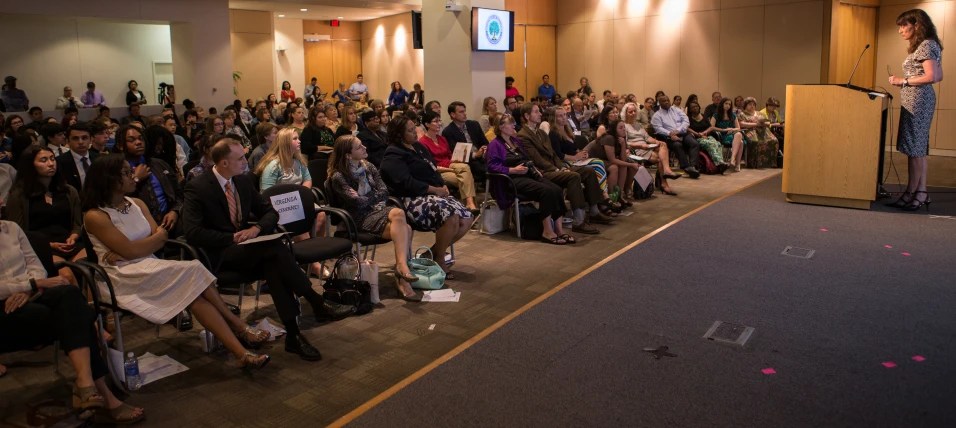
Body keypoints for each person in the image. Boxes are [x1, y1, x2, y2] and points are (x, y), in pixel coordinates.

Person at [82, 154, 271, 370]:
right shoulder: (95, 215)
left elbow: (161, 237)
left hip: (147, 264)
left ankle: (241, 352)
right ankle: (239, 327)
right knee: (193, 270)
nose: (133, 177)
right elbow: (140, 245)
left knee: (193, 290)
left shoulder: (137, 203)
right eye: (126, 173)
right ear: (109, 179)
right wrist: (135, 249)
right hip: (119, 276)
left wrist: (135, 249)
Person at [184, 136, 354, 361]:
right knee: (274, 248)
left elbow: (271, 212)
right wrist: (231, 237)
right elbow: (193, 232)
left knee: (273, 260)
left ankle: (294, 335)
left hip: (249, 248)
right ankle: (315, 301)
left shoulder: (242, 182)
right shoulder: (198, 187)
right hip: (219, 252)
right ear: (224, 163)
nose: (246, 161)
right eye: (240, 158)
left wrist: (255, 230)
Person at [0, 207, 145, 423]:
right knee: (77, 316)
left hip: (31, 294)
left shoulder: (11, 228)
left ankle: (86, 382)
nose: (2, 200)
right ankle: (98, 392)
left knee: (69, 293)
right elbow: (35, 278)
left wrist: (28, 288)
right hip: (5, 306)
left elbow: (36, 267)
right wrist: (29, 284)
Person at [326, 135, 421, 299]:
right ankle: (402, 273)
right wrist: (374, 197)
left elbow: (385, 191)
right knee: (399, 216)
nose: (364, 148)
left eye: (362, 144)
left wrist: (371, 198)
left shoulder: (368, 166)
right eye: (359, 147)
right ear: (348, 155)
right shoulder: (339, 177)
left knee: (405, 227)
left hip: (376, 211)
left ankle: (402, 271)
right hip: (356, 218)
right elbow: (357, 203)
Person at [380, 117, 474, 279]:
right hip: (411, 199)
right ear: (399, 134)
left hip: (432, 194)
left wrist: (441, 185)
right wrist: (434, 190)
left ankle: (431, 254)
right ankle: (439, 258)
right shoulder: (394, 153)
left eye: (414, 128)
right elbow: (405, 183)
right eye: (410, 131)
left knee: (467, 217)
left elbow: (433, 170)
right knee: (451, 216)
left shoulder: (418, 147)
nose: (415, 133)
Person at [515, 103, 610, 234]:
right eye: (536, 112)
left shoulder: (541, 133)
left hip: (553, 168)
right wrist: (557, 170)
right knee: (573, 176)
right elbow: (537, 159)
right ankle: (578, 220)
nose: (540, 114)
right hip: (541, 172)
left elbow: (553, 154)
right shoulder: (523, 135)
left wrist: (560, 166)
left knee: (589, 171)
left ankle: (594, 211)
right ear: (527, 116)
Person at [5, 144, 88, 283]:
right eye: (43, 160)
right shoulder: (19, 195)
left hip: (70, 243)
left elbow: (77, 223)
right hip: (41, 247)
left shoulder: (69, 191)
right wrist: (51, 245)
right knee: (66, 276)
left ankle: (94, 304)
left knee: (92, 270)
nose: (51, 164)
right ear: (31, 165)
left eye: (52, 159)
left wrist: (73, 237)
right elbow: (18, 232)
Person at [886, 10, 942, 210]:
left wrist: (904, 81)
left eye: (903, 25)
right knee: (918, 150)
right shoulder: (926, 45)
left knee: (915, 150)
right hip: (916, 99)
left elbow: (933, 76)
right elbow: (939, 75)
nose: (900, 30)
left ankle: (911, 192)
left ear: (916, 25)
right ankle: (921, 191)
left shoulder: (927, 45)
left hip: (919, 100)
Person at [487, 114, 572, 244]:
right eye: (510, 124)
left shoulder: (515, 141)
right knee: (546, 191)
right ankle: (547, 231)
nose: (513, 126)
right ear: (501, 127)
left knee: (557, 189)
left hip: (527, 174)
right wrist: (512, 170)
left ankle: (559, 230)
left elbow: (526, 158)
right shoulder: (495, 144)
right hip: (511, 179)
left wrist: (533, 168)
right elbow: (492, 167)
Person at [114, 125, 183, 237]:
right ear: (120, 146)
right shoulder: (115, 170)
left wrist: (175, 211)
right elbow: (115, 200)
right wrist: (136, 179)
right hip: (137, 227)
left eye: (141, 139)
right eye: (131, 140)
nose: (138, 142)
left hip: (169, 220)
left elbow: (178, 193)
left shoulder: (159, 164)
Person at [548, 106, 612, 208]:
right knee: (598, 163)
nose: (564, 118)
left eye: (564, 115)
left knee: (598, 163)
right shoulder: (553, 133)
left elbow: (574, 149)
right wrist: (575, 157)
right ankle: (604, 196)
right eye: (560, 116)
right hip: (566, 162)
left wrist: (582, 153)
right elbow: (558, 155)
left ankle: (602, 197)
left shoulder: (567, 130)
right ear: (554, 118)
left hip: (576, 159)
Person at [418, 111, 479, 212]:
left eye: (439, 121)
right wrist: (450, 169)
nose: (439, 123)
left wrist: (454, 160)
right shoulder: (423, 142)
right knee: (465, 177)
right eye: (435, 121)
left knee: (464, 175)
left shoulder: (442, 139)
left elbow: (449, 156)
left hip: (450, 165)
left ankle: (467, 207)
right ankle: (469, 206)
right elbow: (429, 165)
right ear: (427, 124)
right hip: (439, 171)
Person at [621, 102, 679, 195]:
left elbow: (647, 137)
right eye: (630, 112)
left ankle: (666, 172)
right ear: (625, 113)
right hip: (636, 149)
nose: (633, 113)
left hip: (646, 147)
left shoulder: (638, 124)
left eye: (634, 111)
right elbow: (626, 142)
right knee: (660, 159)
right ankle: (664, 182)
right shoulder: (623, 126)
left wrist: (656, 142)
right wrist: (640, 145)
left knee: (663, 145)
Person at [589, 120, 641, 207]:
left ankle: (619, 196)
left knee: (623, 166)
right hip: (592, 159)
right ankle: (611, 197)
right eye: (620, 128)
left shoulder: (619, 139)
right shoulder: (609, 138)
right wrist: (631, 165)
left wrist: (623, 144)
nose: (624, 129)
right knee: (614, 167)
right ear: (614, 130)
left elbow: (623, 159)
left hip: (603, 160)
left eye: (624, 127)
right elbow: (612, 160)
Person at [651, 93, 701, 178]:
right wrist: (670, 133)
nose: (666, 102)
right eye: (664, 101)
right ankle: (686, 167)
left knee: (694, 143)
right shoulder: (657, 115)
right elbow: (658, 128)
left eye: (668, 100)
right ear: (659, 103)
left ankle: (693, 166)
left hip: (682, 133)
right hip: (668, 137)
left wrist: (678, 130)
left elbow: (686, 121)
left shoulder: (677, 110)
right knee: (677, 145)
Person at [441, 101, 490, 184]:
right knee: (485, 169)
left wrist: (484, 149)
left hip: (483, 155)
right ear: (453, 115)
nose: (465, 114)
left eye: (465, 111)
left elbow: (485, 142)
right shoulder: (448, 131)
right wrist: (475, 155)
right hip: (468, 161)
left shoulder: (474, 124)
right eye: (461, 112)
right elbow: (455, 153)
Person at [737, 97, 779, 169]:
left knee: (774, 140)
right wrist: (756, 124)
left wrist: (764, 123)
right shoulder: (742, 114)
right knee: (755, 142)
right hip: (750, 131)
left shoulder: (759, 113)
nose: (752, 106)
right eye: (750, 104)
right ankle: (754, 163)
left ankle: (770, 163)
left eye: (754, 104)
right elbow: (741, 124)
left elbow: (768, 122)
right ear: (746, 105)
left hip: (763, 131)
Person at [56, 123, 98, 193]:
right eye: (75, 138)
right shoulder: (59, 162)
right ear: (68, 141)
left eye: (84, 138)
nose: (81, 142)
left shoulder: (99, 159)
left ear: (91, 140)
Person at [686, 101, 728, 171]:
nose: (695, 108)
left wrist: (704, 133)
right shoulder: (688, 118)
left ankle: (721, 163)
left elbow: (710, 127)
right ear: (690, 110)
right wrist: (698, 134)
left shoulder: (703, 116)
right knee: (710, 144)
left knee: (717, 144)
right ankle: (720, 163)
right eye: (693, 107)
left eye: (696, 106)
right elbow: (687, 128)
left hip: (707, 135)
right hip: (697, 137)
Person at [710, 97, 745, 171]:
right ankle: (737, 163)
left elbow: (738, 128)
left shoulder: (733, 115)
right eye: (726, 103)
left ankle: (732, 159)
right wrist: (724, 129)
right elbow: (711, 127)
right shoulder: (716, 115)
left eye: (729, 104)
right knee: (740, 142)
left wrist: (732, 129)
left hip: (733, 134)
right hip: (722, 135)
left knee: (738, 135)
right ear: (722, 104)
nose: (727, 106)